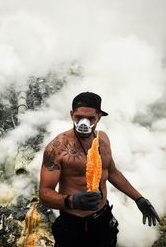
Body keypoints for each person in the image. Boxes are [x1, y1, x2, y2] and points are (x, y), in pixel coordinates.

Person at [39, 92, 160, 247]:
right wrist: (71, 201)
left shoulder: (102, 139)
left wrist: (139, 198)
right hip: (72, 224)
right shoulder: (57, 148)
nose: (84, 122)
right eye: (79, 117)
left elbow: (112, 173)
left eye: (90, 118)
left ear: (99, 117)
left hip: (102, 219)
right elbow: (44, 193)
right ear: (71, 115)